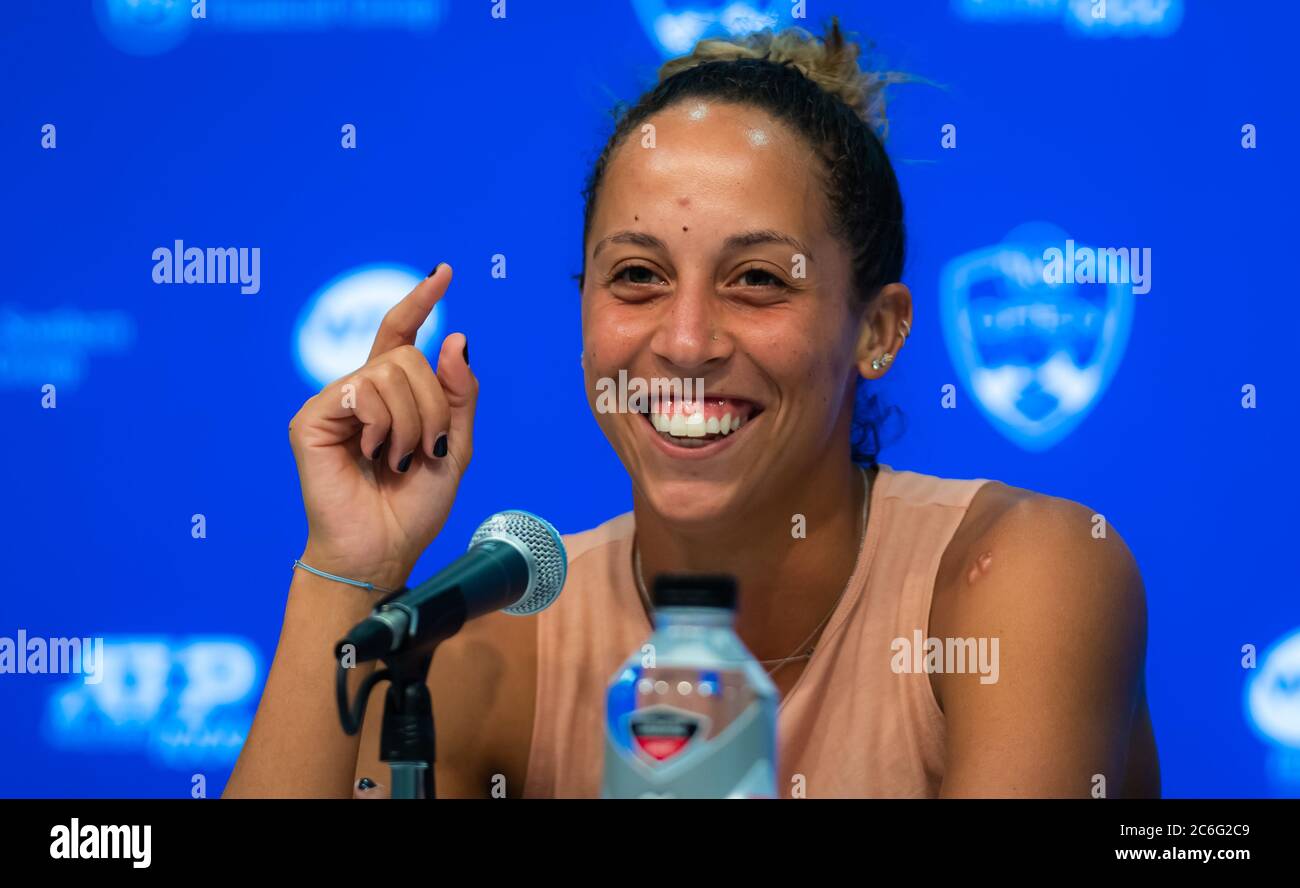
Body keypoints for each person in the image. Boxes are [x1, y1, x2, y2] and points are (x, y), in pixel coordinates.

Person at [225, 20, 1159, 799]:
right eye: (638, 276)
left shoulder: (1020, 576)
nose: (684, 340)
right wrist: (348, 568)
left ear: (877, 330)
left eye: (758, 280)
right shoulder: (501, 646)